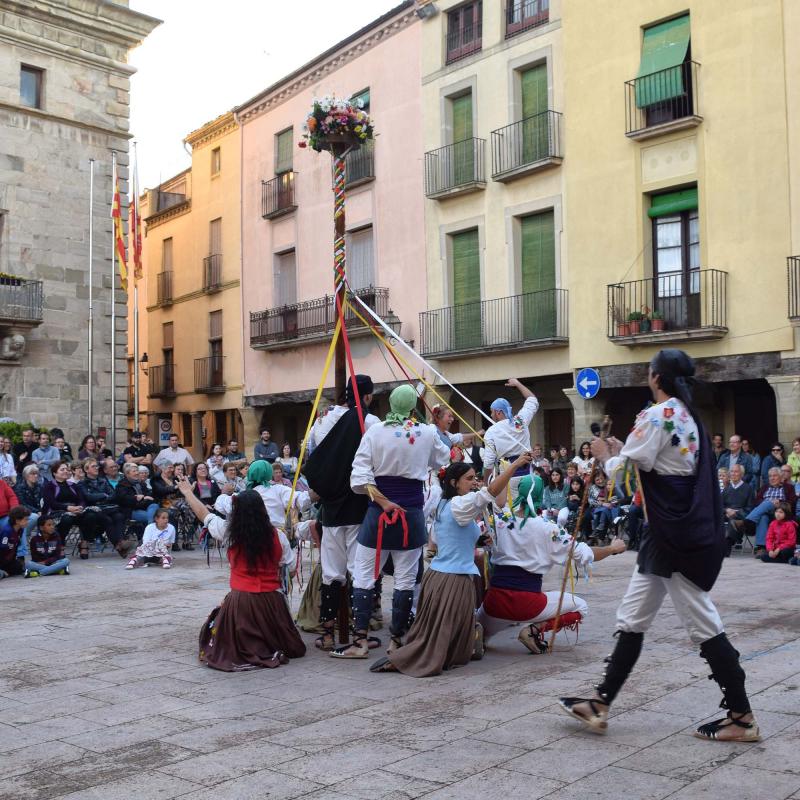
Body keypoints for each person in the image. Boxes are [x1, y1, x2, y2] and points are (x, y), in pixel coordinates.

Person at [558, 349, 760, 743]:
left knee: (703, 622)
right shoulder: (688, 416)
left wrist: (605, 455)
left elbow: (629, 472)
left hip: (672, 535)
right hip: (667, 531)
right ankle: (600, 703)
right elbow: (656, 463)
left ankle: (742, 716)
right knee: (632, 616)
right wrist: (620, 452)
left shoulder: (657, 415)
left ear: (655, 377)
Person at [370, 455, 532, 675]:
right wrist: (514, 465)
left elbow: (442, 537)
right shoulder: (458, 504)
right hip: (452, 580)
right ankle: (407, 659)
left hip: (444, 576)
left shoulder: (445, 503)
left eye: (475, 477)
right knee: (438, 634)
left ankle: (413, 654)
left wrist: (477, 539)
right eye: (469, 478)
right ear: (454, 482)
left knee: (439, 632)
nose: (474, 482)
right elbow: (490, 493)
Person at [331, 384, 451, 659]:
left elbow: (359, 476)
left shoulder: (375, 431)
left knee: (364, 574)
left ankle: (360, 642)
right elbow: (441, 459)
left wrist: (384, 502)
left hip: (378, 512)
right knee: (406, 579)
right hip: (412, 513)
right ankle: (396, 641)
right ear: (412, 407)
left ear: (390, 404)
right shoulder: (428, 432)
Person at [476, 475, 625, 655]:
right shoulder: (549, 528)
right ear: (540, 496)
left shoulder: (499, 521)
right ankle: (533, 632)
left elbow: (476, 537)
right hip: (529, 605)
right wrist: (612, 548)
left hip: (495, 604)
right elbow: (585, 554)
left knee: (477, 629)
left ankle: (478, 637)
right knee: (581, 606)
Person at [176, 477, 305, 670]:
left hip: (240, 603)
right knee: (290, 644)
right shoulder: (279, 536)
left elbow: (204, 514)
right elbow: (291, 569)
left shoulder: (228, 532)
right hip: (273, 603)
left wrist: (187, 492)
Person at [302, 374, 379, 652]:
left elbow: (312, 458)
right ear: (367, 396)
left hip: (331, 510)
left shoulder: (321, 423)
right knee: (360, 572)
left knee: (331, 573)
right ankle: (360, 635)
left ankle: (327, 633)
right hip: (358, 507)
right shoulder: (369, 422)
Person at [482, 378, 539, 498]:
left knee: (511, 511)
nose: (491, 415)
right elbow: (532, 400)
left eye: (492, 412)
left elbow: (488, 463)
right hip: (528, 474)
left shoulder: (492, 431)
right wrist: (518, 384)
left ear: (498, 412)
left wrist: (485, 481)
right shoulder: (519, 421)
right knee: (529, 508)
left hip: (508, 475)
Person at [43, 461, 111, 558]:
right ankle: (61, 545)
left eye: (67, 469)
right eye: (62, 469)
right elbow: (52, 503)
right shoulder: (49, 486)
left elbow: (81, 500)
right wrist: (68, 508)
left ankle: (84, 543)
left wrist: (80, 507)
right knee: (67, 519)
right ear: (54, 473)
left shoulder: (73, 485)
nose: (66, 471)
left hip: (75, 511)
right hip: (57, 512)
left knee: (91, 516)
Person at [80, 458, 131, 557]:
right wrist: (103, 495)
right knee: (107, 519)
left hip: (107, 508)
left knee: (119, 516)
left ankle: (120, 542)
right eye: (93, 466)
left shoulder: (103, 481)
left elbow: (113, 494)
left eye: (97, 466)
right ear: (86, 470)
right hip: (92, 510)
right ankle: (119, 545)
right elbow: (88, 497)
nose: (96, 468)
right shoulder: (82, 483)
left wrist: (100, 498)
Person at [245, 461, 309, 534]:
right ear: (269, 473)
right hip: (275, 536)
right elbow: (301, 499)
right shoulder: (278, 489)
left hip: (251, 537)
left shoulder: (244, 494)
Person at [745, 467, 797, 554]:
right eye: (770, 476)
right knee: (763, 517)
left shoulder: (789, 487)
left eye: (774, 476)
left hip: (781, 512)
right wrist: (768, 502)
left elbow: (792, 502)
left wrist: (779, 503)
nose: (772, 478)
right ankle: (762, 547)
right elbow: (757, 501)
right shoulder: (765, 487)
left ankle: (746, 522)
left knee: (768, 503)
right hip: (765, 512)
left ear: (781, 477)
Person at [721, 463, 755, 555]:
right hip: (726, 514)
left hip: (740, 517)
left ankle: (727, 546)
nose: (733, 474)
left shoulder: (748, 488)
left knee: (733, 520)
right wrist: (726, 510)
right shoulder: (727, 488)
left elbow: (750, 508)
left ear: (742, 474)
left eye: (736, 471)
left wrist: (736, 513)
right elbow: (720, 505)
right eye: (731, 471)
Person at [114, 463, 159, 528]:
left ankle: (149, 532)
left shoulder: (140, 483)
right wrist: (138, 498)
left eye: (137, 470)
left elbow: (149, 496)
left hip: (144, 506)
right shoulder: (122, 485)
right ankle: (151, 533)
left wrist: (144, 498)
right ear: (127, 474)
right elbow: (124, 500)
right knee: (153, 517)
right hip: (132, 510)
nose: (137, 473)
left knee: (154, 506)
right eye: (134, 471)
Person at [0, 506, 28, 578]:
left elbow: (14, 548)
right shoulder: (7, 531)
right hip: (2, 560)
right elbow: (2, 549)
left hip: (9, 561)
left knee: (20, 567)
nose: (27, 522)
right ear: (17, 521)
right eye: (25, 520)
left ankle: (5, 572)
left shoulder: (20, 530)